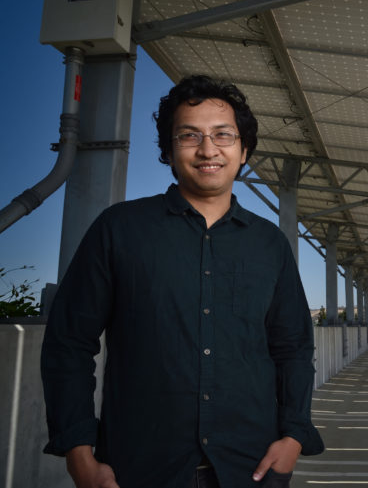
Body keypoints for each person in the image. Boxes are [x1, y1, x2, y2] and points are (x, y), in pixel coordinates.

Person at [41, 75, 323, 488]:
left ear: (244, 150)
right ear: (169, 151)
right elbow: (69, 342)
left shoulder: (270, 244)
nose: (208, 149)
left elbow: (293, 347)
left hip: (251, 467)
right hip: (139, 468)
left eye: (223, 135)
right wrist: (79, 453)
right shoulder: (119, 229)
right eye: (189, 136)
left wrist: (295, 435)